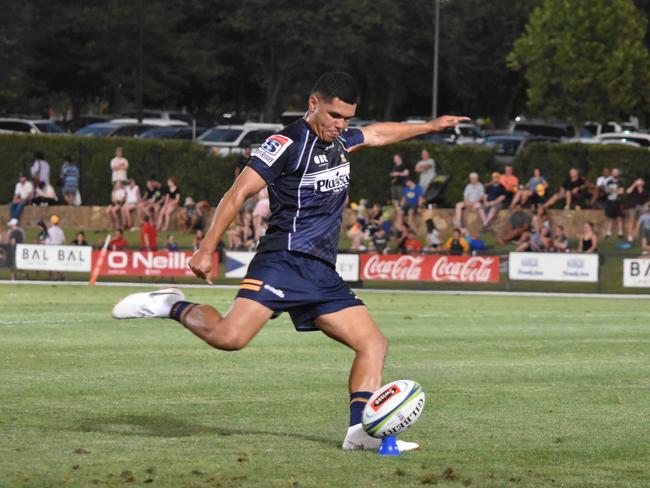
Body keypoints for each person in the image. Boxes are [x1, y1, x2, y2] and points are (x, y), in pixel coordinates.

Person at [112, 71, 468, 452]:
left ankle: (358, 435)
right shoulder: (285, 143)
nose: (340, 124)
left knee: (373, 344)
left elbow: (379, 133)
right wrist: (206, 247)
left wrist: (430, 126)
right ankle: (170, 303)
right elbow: (237, 194)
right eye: (334, 115)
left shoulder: (342, 140)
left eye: (347, 117)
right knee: (230, 338)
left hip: (320, 271)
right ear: (313, 104)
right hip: (282, 260)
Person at [603, 168, 625, 239]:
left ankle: (620, 233)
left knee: (619, 218)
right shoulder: (609, 182)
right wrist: (615, 190)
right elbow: (606, 191)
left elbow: (621, 192)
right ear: (612, 173)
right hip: (610, 201)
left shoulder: (621, 182)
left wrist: (612, 190)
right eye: (614, 172)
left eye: (616, 172)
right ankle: (608, 233)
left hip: (618, 201)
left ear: (618, 174)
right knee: (609, 218)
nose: (615, 173)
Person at [625, 178, 648, 243]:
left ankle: (639, 236)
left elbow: (646, 200)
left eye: (641, 182)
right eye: (638, 181)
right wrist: (634, 184)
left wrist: (645, 206)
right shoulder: (633, 189)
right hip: (633, 206)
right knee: (631, 220)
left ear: (643, 183)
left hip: (641, 207)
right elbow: (627, 192)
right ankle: (630, 236)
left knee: (640, 221)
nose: (639, 183)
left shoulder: (645, 191)